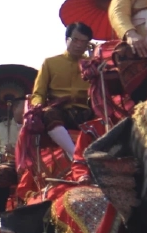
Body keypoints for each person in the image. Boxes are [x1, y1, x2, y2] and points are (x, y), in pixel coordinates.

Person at [30, 22, 98, 161]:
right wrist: (37, 105)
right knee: (49, 114)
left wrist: (95, 60)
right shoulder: (50, 63)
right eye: (75, 40)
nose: (79, 45)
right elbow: (38, 93)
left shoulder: (92, 65)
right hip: (59, 110)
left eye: (84, 42)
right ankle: (76, 156)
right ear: (66, 39)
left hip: (85, 111)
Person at [0, 96, 26, 220]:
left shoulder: (32, 127)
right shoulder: (0, 127)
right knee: (0, 174)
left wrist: (16, 151)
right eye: (24, 106)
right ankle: (2, 214)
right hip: (9, 164)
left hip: (28, 163)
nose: (27, 109)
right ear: (15, 108)